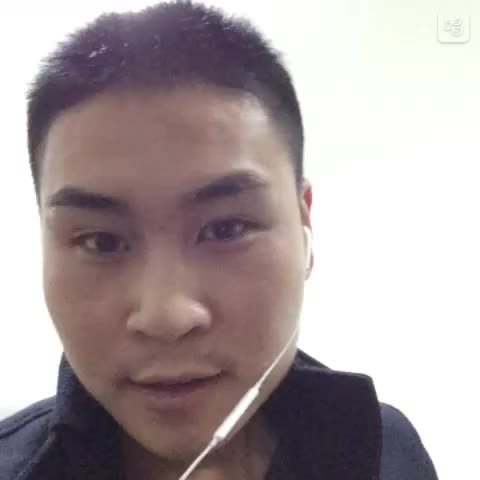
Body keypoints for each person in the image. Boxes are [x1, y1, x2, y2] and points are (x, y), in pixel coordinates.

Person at [0, 1, 438, 479]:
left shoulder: (387, 450)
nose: (166, 317)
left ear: (303, 221)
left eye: (226, 229)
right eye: (101, 241)